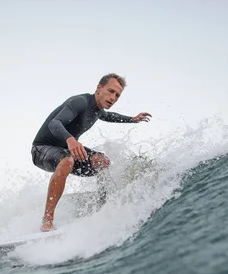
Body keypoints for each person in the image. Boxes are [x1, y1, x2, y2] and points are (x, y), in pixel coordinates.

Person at [31, 73, 152, 232]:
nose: (113, 97)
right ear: (99, 88)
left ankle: (102, 209)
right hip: (42, 149)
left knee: (102, 161)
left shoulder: (98, 110)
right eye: (110, 91)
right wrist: (70, 139)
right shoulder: (80, 102)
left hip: (66, 149)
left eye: (117, 95)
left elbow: (109, 116)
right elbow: (55, 123)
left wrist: (132, 119)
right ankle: (47, 221)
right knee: (67, 160)